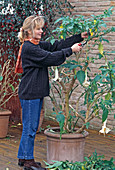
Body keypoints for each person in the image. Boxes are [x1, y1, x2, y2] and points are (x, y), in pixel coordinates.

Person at [15, 15, 88, 170]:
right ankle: (28, 162)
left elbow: (56, 46)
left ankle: (23, 157)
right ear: (29, 31)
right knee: (30, 127)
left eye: (42, 28)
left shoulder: (36, 45)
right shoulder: (30, 48)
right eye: (38, 28)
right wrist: (71, 50)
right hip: (30, 93)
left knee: (30, 126)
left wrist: (78, 37)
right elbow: (50, 58)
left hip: (34, 92)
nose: (42, 31)